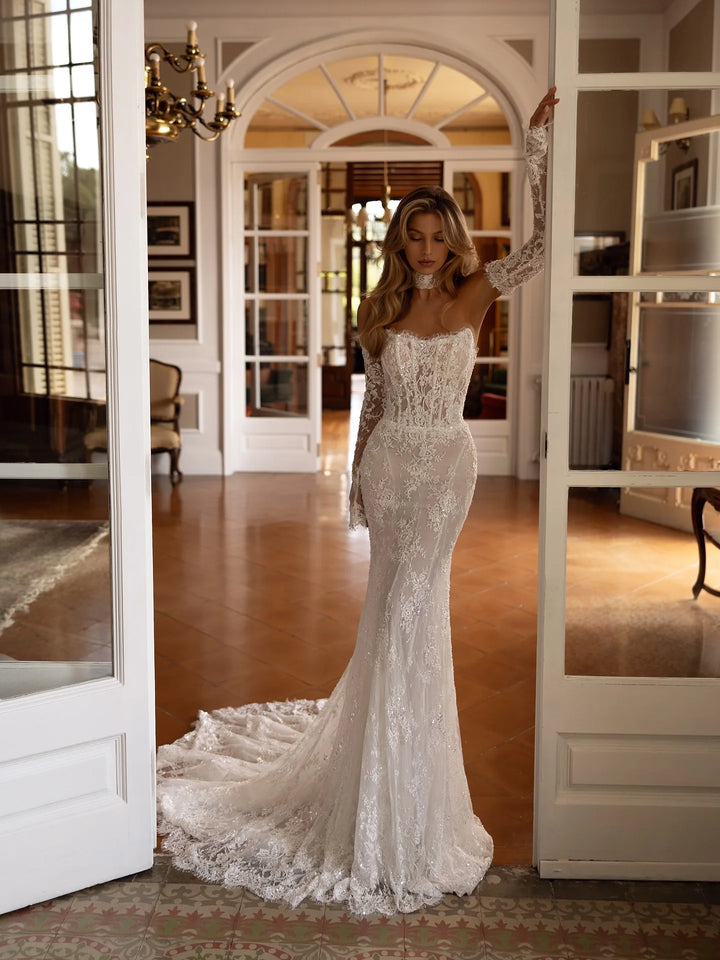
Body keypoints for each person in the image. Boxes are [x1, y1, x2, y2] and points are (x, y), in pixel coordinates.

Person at [156, 87, 558, 917]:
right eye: (412, 232)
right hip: (390, 470)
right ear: (396, 240)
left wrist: (539, 145)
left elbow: (546, 245)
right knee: (391, 615)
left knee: (418, 610)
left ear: (452, 238)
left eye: (436, 231)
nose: (424, 244)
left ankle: (409, 800)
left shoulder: (477, 292)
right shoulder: (380, 310)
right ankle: (382, 785)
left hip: (446, 468)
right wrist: (354, 485)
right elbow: (371, 408)